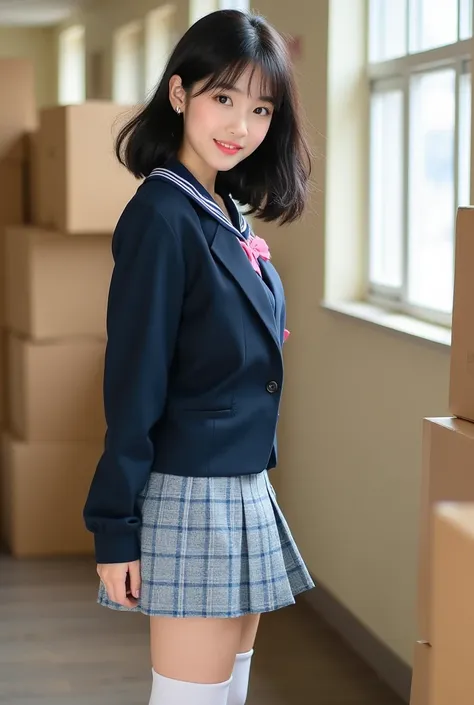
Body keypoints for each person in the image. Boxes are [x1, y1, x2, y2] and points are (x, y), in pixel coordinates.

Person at [83, 8, 315, 705]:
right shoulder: (162, 214)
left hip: (241, 484)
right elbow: (134, 381)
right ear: (179, 94)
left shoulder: (224, 208)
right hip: (193, 490)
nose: (240, 125)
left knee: (224, 695)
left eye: (260, 107)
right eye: (223, 98)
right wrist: (114, 528)